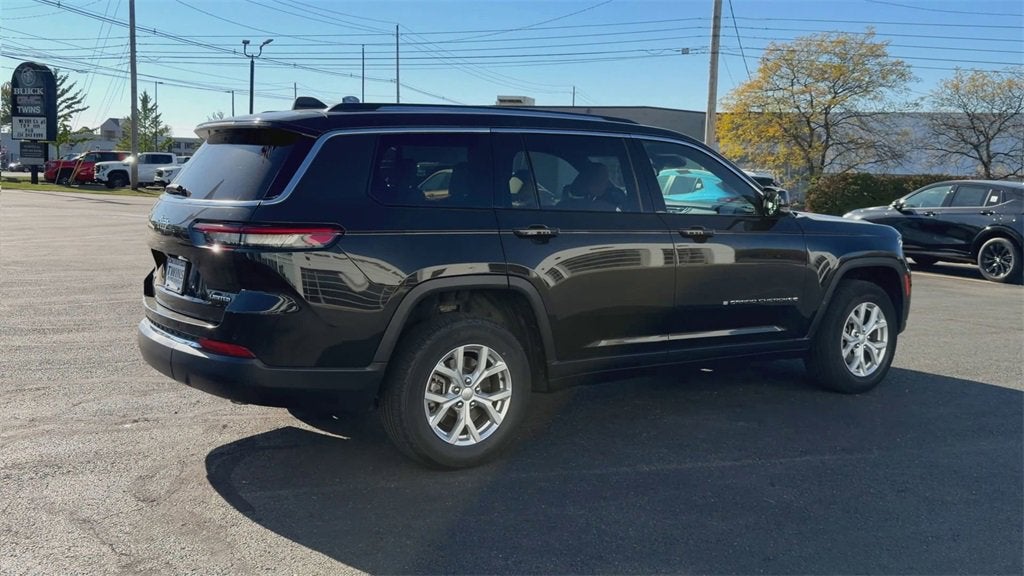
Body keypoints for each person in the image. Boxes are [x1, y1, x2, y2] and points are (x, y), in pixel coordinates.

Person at [561, 162, 626, 211]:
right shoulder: (604, 209)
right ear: (589, 183)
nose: (608, 185)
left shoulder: (562, 206)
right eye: (603, 179)